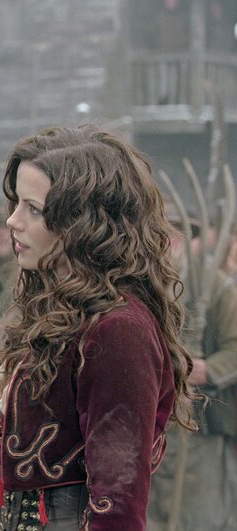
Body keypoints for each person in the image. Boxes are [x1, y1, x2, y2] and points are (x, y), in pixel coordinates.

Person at [0, 125, 197, 529]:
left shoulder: (118, 330)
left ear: (82, 223)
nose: (12, 220)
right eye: (16, 203)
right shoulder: (64, 312)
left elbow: (119, 499)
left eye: (34, 209)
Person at [146, 200, 237, 530]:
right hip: (152, 428)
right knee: (152, 516)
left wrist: (206, 370)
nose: (166, 242)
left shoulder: (216, 287)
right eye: (158, 234)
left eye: (174, 233)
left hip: (201, 427)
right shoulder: (140, 286)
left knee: (201, 517)